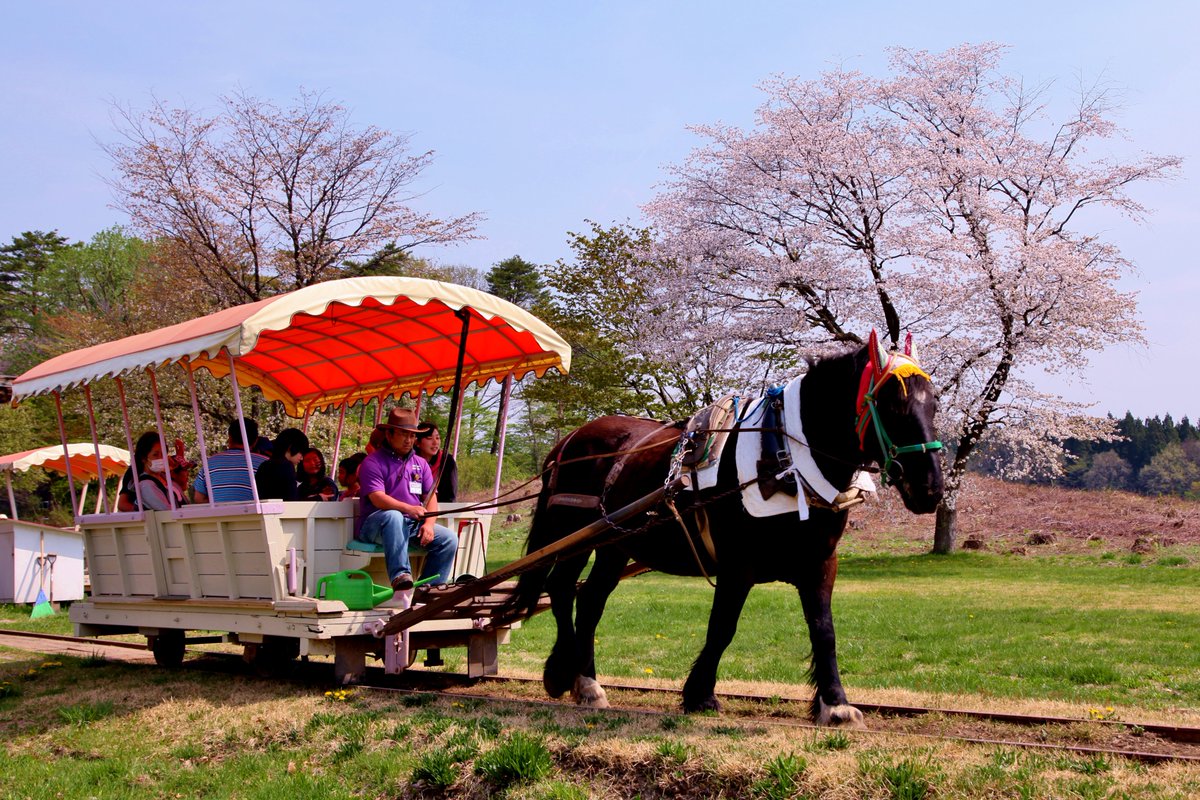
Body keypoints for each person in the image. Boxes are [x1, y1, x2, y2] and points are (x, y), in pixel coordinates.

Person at [354, 408, 457, 591]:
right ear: (389, 433)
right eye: (403, 434)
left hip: (409, 525)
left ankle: (426, 590)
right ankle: (401, 577)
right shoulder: (373, 462)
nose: (409, 440)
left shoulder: (421, 463)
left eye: (412, 435)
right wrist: (409, 509)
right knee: (393, 516)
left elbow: (431, 496)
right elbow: (378, 499)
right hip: (375, 525)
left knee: (449, 539)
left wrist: (429, 524)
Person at [192, 418, 268, 504]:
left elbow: (199, 498)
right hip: (254, 516)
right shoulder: (265, 463)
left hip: (219, 516)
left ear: (230, 437)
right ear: (255, 440)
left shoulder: (210, 463)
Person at [120, 431, 187, 511]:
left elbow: (182, 487)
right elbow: (122, 504)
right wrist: (143, 514)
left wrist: (180, 461)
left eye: (163, 454)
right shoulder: (143, 481)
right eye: (155, 455)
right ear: (144, 458)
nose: (160, 458)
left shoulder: (165, 475)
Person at [254, 428, 309, 501]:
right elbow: (292, 499)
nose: (301, 458)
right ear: (291, 447)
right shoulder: (287, 466)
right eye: (301, 452)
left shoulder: (264, 465)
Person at [415, 420, 458, 503]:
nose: (435, 442)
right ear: (417, 442)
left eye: (437, 438)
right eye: (429, 438)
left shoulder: (447, 461)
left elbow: (450, 496)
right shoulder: (410, 461)